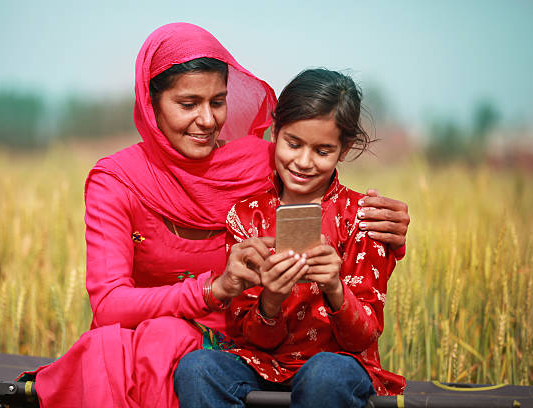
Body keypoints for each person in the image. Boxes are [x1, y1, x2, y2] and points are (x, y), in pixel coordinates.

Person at [25, 23, 410, 408]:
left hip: (246, 347)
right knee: (165, 347)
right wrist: (217, 289)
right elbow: (110, 304)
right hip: (184, 351)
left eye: (218, 101)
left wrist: (389, 226)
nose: (208, 120)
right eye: (188, 104)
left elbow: (325, 194)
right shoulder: (117, 181)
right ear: (151, 101)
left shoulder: (263, 163)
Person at [174, 69, 406, 408]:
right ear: (274, 132)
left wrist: (335, 289)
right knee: (198, 368)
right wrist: (270, 300)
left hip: (339, 365)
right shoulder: (246, 216)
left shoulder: (363, 218)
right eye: (293, 144)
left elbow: (364, 337)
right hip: (263, 364)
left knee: (325, 374)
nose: (303, 161)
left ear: (345, 149)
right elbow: (246, 336)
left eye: (322, 150)